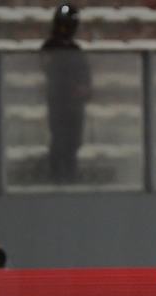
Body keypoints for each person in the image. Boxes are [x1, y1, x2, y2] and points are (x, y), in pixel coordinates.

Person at [41, 4, 91, 184]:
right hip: (59, 101)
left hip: (74, 104)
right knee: (59, 138)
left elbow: (85, 75)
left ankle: (70, 174)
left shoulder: (75, 49)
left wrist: (83, 88)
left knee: (74, 140)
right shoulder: (50, 47)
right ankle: (57, 176)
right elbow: (49, 70)